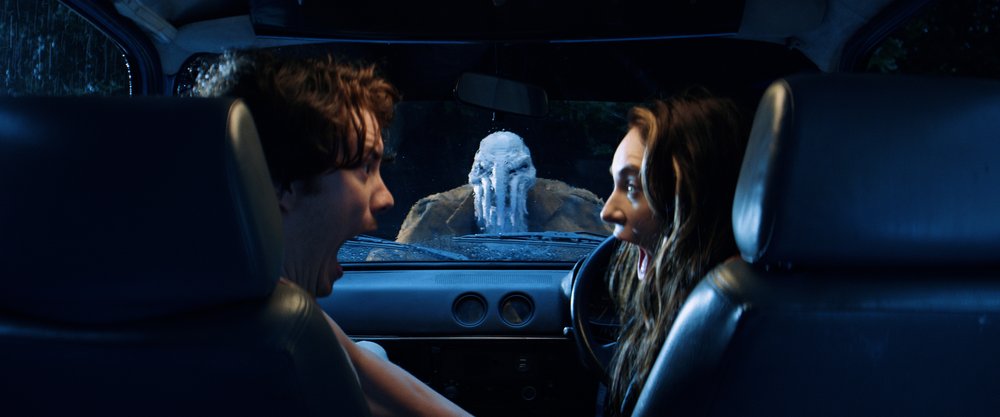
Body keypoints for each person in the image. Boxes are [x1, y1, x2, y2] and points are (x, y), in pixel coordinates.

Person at [195, 50, 472, 417]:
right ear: (278, 183)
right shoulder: (283, 331)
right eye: (365, 168)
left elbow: (369, 376)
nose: (386, 198)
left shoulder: (233, 303)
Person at [599, 90, 747, 417]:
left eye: (632, 187)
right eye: (614, 184)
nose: (607, 211)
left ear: (693, 198)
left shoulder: (716, 320)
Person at [396, 130, 610, 244]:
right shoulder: (434, 212)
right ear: (474, 173)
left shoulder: (580, 209)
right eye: (485, 170)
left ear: (531, 172)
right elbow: (400, 266)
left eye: (516, 170)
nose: (501, 184)